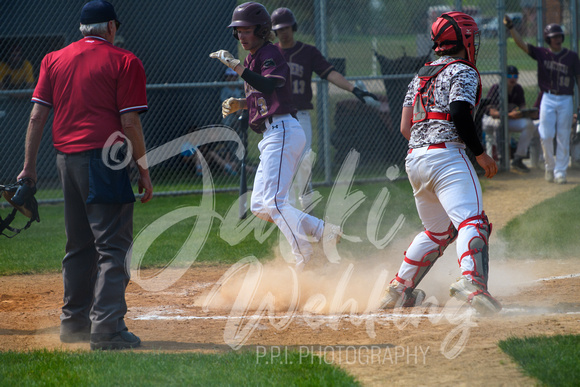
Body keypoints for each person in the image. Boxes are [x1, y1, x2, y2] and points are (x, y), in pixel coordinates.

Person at [17, 0, 152, 350]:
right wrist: (143, 168)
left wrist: (29, 168)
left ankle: (74, 324)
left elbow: (36, 117)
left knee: (79, 245)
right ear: (110, 28)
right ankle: (106, 329)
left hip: (66, 161)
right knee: (113, 247)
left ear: (81, 29)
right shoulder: (125, 61)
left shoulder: (52, 59)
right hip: (106, 160)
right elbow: (129, 122)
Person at [379, 12, 502, 315]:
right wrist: (479, 153)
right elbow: (460, 113)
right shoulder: (463, 70)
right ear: (464, 40)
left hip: (415, 158)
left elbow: (405, 127)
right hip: (446, 156)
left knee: (436, 231)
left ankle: (399, 289)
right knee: (472, 222)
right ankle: (472, 283)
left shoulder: (421, 73)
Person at [210, 2, 342, 272]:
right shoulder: (252, 58)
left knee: (274, 202)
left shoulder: (269, 53)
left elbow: (270, 84)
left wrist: (236, 67)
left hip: (282, 130)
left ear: (261, 30)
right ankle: (323, 231)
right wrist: (241, 103)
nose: (241, 36)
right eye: (238, 32)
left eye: (246, 30)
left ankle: (304, 257)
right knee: (260, 205)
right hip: (274, 133)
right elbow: (263, 95)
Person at [270, 7, 377, 210]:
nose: (284, 31)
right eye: (279, 28)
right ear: (275, 31)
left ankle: (306, 204)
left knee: (303, 162)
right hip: (276, 118)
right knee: (282, 165)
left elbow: (330, 74)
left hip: (299, 116)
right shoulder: (271, 54)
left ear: (293, 27)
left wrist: (353, 88)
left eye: (287, 27)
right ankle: (286, 210)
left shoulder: (308, 52)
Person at [504, 15, 580, 184]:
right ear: (548, 39)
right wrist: (511, 28)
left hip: (566, 98)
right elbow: (521, 44)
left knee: (563, 135)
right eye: (554, 37)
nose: (558, 39)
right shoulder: (541, 53)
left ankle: (560, 172)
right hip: (548, 97)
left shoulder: (572, 57)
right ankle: (549, 166)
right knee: (546, 135)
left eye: (559, 36)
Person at [482, 65, 536, 172]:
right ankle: (501, 158)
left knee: (529, 124)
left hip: (508, 120)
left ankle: (518, 159)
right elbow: (492, 113)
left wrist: (524, 114)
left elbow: (522, 108)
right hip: (490, 121)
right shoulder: (496, 88)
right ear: (504, 77)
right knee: (499, 124)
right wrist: (509, 115)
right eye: (509, 75)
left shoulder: (518, 89)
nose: (512, 78)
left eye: (515, 75)